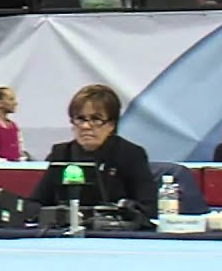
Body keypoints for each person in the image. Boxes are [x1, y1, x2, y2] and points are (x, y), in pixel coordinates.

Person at [29, 84, 158, 218]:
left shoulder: (131, 154)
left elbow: (149, 208)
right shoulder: (61, 153)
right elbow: (35, 203)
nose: (85, 126)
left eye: (96, 119)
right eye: (80, 119)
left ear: (111, 125)